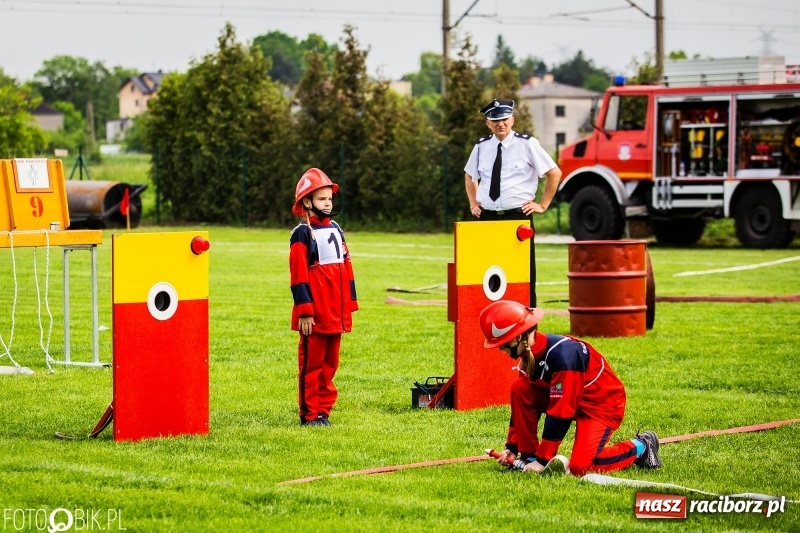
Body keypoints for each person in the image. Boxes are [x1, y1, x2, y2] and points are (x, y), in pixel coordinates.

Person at [478, 300, 662, 477]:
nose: (501, 350)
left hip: (601, 405)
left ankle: (642, 446)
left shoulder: (564, 356)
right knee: (520, 388)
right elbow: (524, 403)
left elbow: (561, 410)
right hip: (573, 400)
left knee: (581, 467)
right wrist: (512, 448)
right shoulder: (529, 356)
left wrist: (543, 460)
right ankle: (528, 457)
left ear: (518, 337)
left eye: (503, 345)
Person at [289, 168, 358, 427]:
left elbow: (346, 267)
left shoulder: (337, 229)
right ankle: (309, 414)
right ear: (307, 202)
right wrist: (305, 311)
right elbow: (298, 275)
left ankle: (324, 412)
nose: (327, 203)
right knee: (312, 365)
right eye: (321, 199)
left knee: (330, 365)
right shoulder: (302, 234)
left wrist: (349, 305)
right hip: (315, 315)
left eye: (329, 198)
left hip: (335, 314)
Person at [464, 99, 562, 222]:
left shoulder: (527, 144)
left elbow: (554, 173)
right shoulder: (481, 146)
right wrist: (473, 203)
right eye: (495, 120)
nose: (500, 124)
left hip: (517, 216)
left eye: (504, 119)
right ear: (488, 123)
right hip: (487, 216)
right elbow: (469, 175)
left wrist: (542, 205)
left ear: (512, 120)